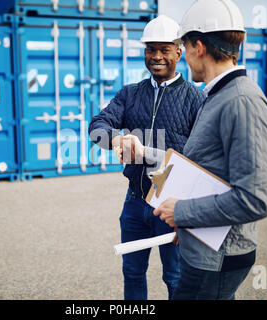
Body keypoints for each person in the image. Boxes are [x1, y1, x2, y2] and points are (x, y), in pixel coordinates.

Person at [125, 0, 267, 300]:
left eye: (184, 46)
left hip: (218, 257)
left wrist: (182, 211)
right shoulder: (217, 97)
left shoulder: (241, 102)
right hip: (204, 247)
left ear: (198, 46)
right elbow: (206, 169)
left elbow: (256, 199)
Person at [88, 15, 205, 300]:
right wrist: (114, 138)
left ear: (179, 52)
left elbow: (198, 159)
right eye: (150, 49)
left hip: (173, 204)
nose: (156, 56)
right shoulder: (130, 94)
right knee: (132, 272)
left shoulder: (195, 99)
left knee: (175, 277)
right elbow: (96, 127)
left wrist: (148, 155)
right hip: (135, 202)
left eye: (164, 49)